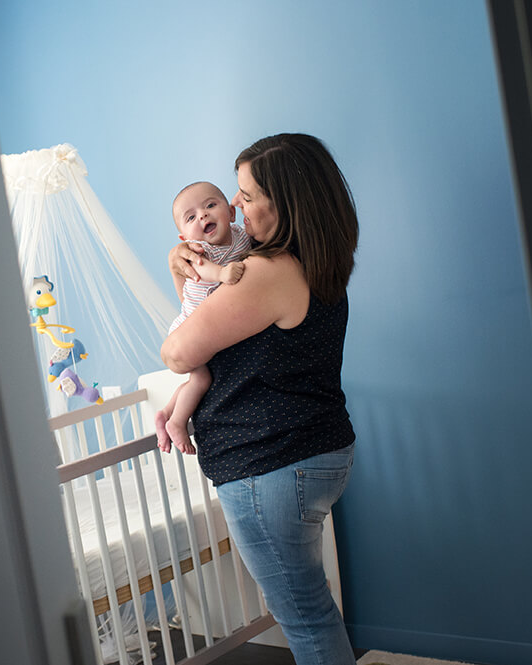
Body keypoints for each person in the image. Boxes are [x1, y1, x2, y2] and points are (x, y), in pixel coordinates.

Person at [160, 133, 359, 665]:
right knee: (311, 607)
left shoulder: (266, 273)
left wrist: (181, 271)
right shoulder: (314, 262)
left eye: (245, 195)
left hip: (270, 465)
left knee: (305, 616)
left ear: (286, 200)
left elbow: (178, 351)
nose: (234, 206)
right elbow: (259, 359)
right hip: (313, 449)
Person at [155, 181, 251, 455]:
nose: (203, 215)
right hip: (188, 324)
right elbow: (202, 268)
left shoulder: (240, 235)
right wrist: (221, 275)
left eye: (211, 205)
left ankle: (165, 413)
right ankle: (176, 422)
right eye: (191, 217)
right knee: (200, 381)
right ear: (185, 237)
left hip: (200, 324)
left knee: (196, 381)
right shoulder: (199, 250)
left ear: (231, 213)